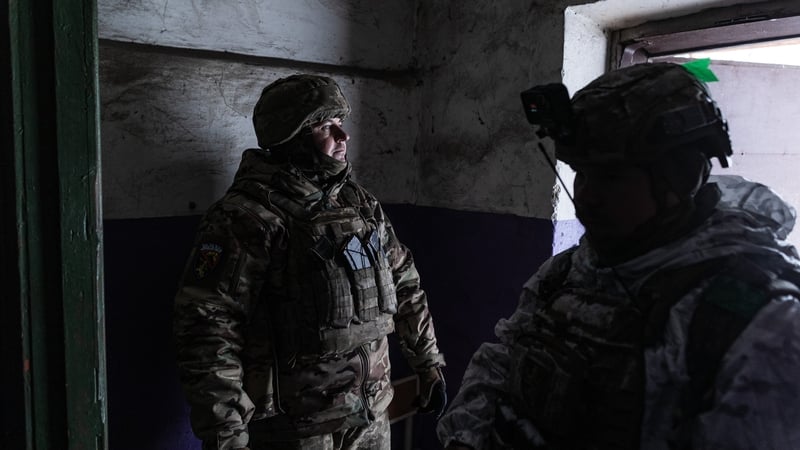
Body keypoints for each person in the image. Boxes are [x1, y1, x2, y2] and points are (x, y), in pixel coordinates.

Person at [437, 62, 800, 449]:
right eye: (582, 172)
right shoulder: (565, 273)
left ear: (680, 177)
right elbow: (499, 365)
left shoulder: (762, 324)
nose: (588, 196)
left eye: (612, 177)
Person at [174, 74, 446, 450]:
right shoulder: (246, 216)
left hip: (370, 416)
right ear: (292, 138)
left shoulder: (359, 203)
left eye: (341, 124)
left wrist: (427, 363)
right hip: (297, 431)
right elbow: (207, 327)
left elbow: (404, 282)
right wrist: (227, 434)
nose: (343, 136)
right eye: (325, 126)